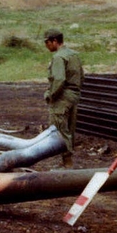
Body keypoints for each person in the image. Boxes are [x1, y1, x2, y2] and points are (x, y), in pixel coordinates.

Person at [43, 29, 83, 168]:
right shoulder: (73, 55)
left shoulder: (59, 57)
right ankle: (68, 162)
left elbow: (59, 79)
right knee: (69, 130)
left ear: (55, 41)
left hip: (62, 97)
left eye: (47, 42)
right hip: (74, 96)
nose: (46, 46)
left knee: (59, 130)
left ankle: (67, 164)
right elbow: (81, 76)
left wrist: (51, 95)